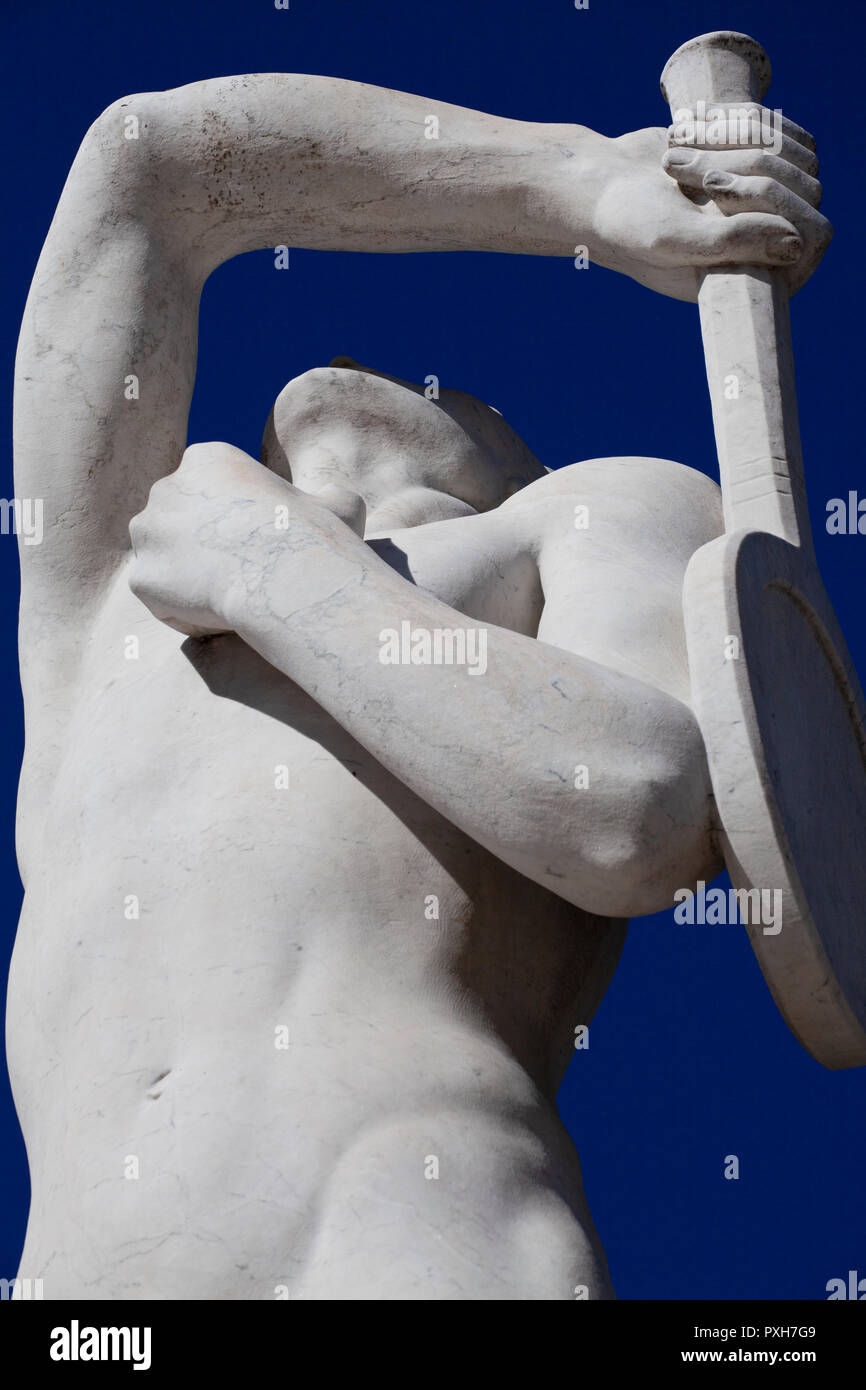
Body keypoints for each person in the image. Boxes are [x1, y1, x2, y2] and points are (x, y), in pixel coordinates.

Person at [9, 74, 829, 1299]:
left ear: (512, 460)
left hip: (406, 1236)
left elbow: (633, 808)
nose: (345, 353)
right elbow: (149, 163)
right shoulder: (111, 600)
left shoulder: (579, 513)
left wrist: (279, 570)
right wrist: (579, 182)